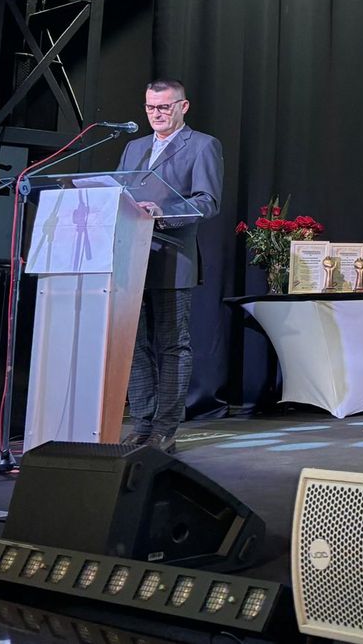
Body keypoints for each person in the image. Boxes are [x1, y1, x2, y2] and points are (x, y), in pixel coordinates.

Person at [117, 78, 223, 453]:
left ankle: (165, 427)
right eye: (150, 107)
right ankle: (141, 423)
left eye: (163, 107)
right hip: (132, 259)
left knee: (172, 345)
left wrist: (163, 212)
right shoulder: (134, 148)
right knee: (134, 345)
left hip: (172, 258)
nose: (156, 114)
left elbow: (207, 202)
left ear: (183, 106)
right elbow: (120, 193)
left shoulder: (203, 145)